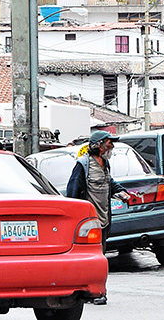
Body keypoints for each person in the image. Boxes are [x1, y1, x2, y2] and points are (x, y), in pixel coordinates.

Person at [65, 130, 132, 305]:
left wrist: (121, 192)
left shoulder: (105, 164)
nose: (112, 146)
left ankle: (96, 291)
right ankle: (92, 292)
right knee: (90, 259)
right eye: (109, 142)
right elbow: (73, 191)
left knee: (100, 257)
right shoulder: (83, 165)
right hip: (88, 223)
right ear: (99, 146)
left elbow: (109, 182)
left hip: (104, 220)